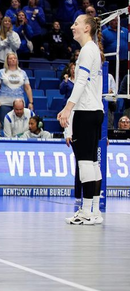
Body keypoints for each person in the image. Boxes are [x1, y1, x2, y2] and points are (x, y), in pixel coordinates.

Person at [57, 14, 105, 226]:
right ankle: (94, 210)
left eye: (76, 23)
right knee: (93, 162)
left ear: (87, 28)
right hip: (96, 111)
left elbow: (81, 82)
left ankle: (86, 211)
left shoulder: (87, 51)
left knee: (85, 162)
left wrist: (68, 108)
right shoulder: (94, 49)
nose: (72, 26)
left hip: (86, 112)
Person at [0, 52, 33, 125]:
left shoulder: (22, 73)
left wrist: (31, 102)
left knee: (20, 124)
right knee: (4, 124)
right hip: (4, 103)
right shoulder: (1, 72)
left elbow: (28, 88)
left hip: (19, 104)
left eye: (14, 58)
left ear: (17, 60)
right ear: (7, 60)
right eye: (10, 58)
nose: (13, 60)